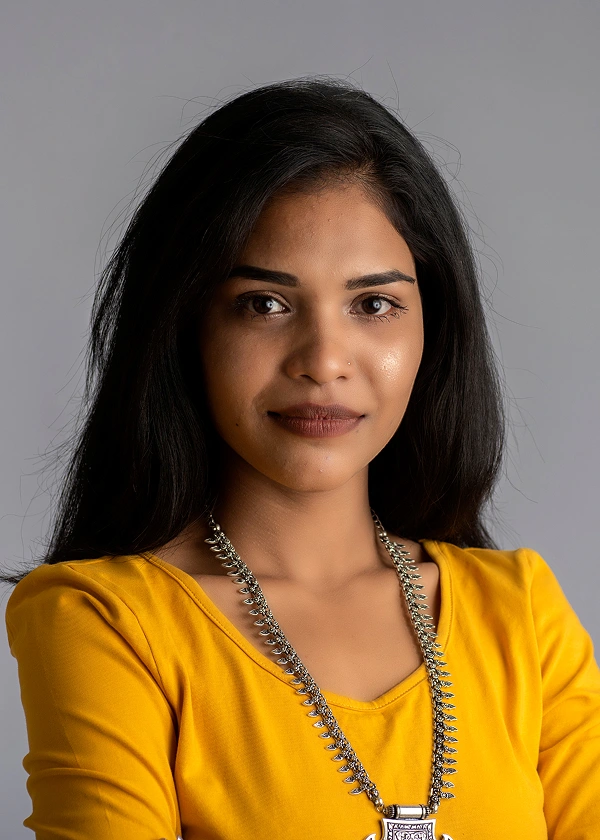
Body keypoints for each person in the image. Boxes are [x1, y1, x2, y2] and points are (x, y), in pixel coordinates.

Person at [3, 77, 600, 840]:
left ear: (432, 332)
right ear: (185, 326)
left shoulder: (521, 614)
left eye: (373, 304)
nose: (324, 360)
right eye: (265, 304)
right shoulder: (107, 620)